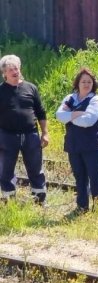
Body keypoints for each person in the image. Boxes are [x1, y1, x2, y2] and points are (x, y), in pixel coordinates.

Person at [55, 67, 98, 212]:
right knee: (80, 177)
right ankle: (82, 206)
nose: (86, 84)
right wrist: (76, 114)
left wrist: (69, 117)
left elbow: (88, 121)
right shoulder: (70, 98)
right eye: (83, 81)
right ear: (78, 83)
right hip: (74, 144)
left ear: (93, 84)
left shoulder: (95, 100)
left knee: (95, 177)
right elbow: (59, 115)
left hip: (93, 146)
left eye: (89, 82)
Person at [0, 54, 49, 203]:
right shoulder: (1, 91)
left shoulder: (31, 88)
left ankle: (40, 199)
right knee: (6, 170)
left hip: (31, 135)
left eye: (16, 67)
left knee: (35, 168)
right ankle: (9, 201)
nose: (15, 71)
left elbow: (41, 112)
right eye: (10, 69)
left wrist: (45, 133)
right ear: (4, 74)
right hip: (7, 136)